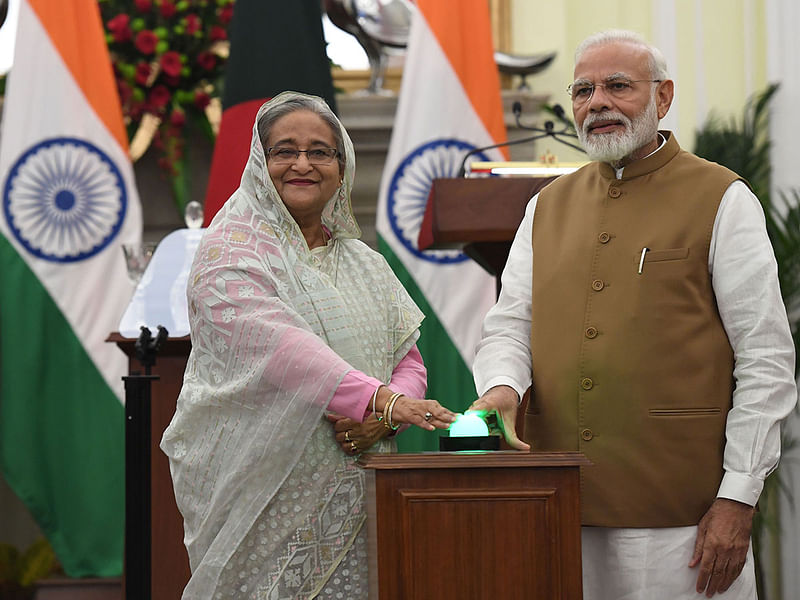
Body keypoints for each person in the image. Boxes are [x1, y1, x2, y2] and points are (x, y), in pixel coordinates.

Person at [471, 30, 797, 600]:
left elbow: (766, 359)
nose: (597, 102)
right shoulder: (545, 207)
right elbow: (510, 325)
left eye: (618, 86)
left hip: (683, 520)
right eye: (583, 90)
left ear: (662, 97)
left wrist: (738, 496)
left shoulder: (721, 196)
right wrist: (502, 385)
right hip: (558, 505)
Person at [160, 91, 456, 599]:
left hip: (361, 491)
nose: (303, 164)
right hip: (263, 493)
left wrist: (381, 417)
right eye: (284, 151)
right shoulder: (230, 249)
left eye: (320, 151)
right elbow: (283, 351)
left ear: (342, 168)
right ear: (260, 162)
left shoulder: (365, 261)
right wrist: (383, 400)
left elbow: (407, 357)